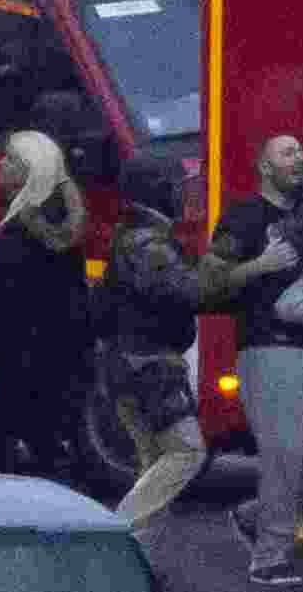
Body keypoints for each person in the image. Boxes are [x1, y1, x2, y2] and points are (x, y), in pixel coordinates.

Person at [200, 134, 303, 587]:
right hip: (268, 347)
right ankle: (269, 559)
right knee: (284, 455)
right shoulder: (244, 217)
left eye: (302, 152)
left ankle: (254, 515)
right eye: (287, 153)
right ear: (265, 167)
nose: (300, 158)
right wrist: (261, 265)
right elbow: (209, 282)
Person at [105, 153, 208, 568]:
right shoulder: (147, 241)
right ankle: (110, 539)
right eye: (176, 185)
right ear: (158, 189)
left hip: (130, 363)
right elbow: (188, 290)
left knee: (154, 467)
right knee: (187, 453)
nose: (183, 193)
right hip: (147, 365)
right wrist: (247, 269)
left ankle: (137, 565)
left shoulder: (138, 234)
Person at [0, 130, 90, 474]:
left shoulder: (12, 239)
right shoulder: (63, 232)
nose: (0, 163)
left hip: (19, 368)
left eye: (10, 159)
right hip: (60, 365)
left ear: (30, 172)